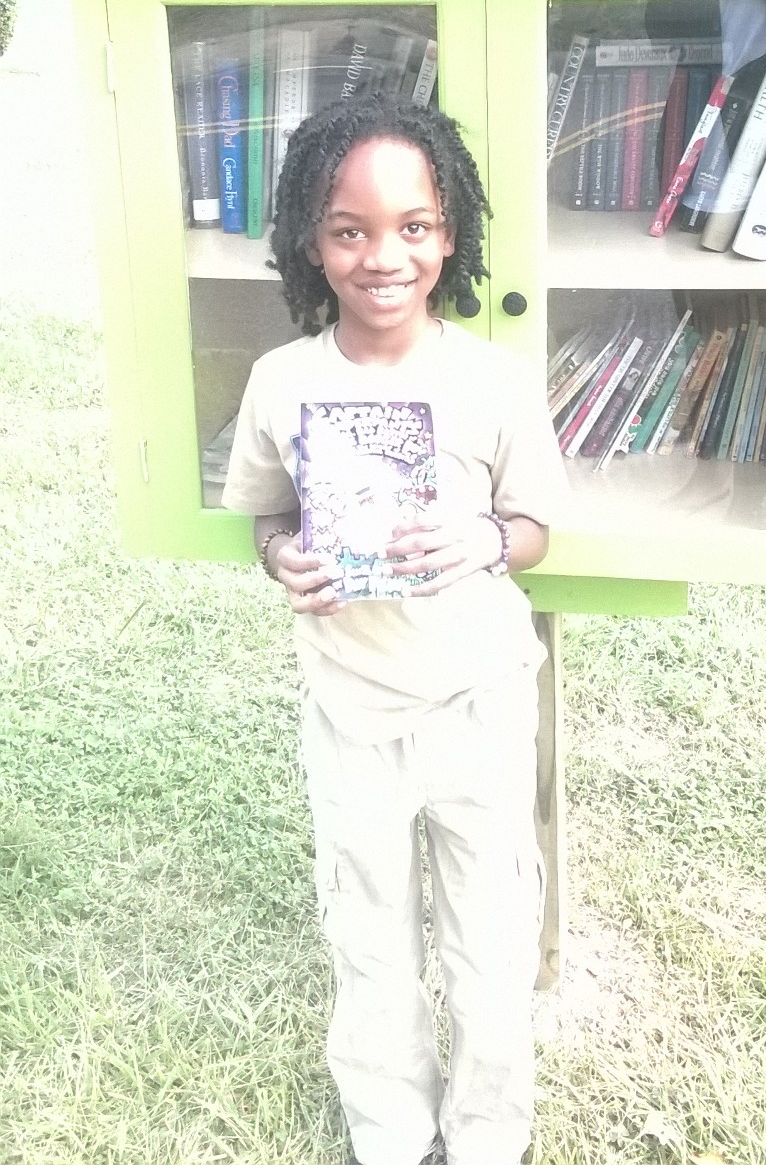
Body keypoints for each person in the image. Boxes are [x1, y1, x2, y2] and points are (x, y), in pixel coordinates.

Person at [221, 95, 568, 1165]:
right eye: (350, 230)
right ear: (310, 244)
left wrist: (488, 543)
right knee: (366, 934)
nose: (384, 256)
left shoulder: (493, 382)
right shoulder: (283, 383)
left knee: (489, 938)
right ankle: (389, 1129)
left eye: (413, 226)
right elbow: (268, 520)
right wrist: (285, 558)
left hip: (479, 703)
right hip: (352, 715)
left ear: (449, 234)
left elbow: (537, 525)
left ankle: (486, 1136)